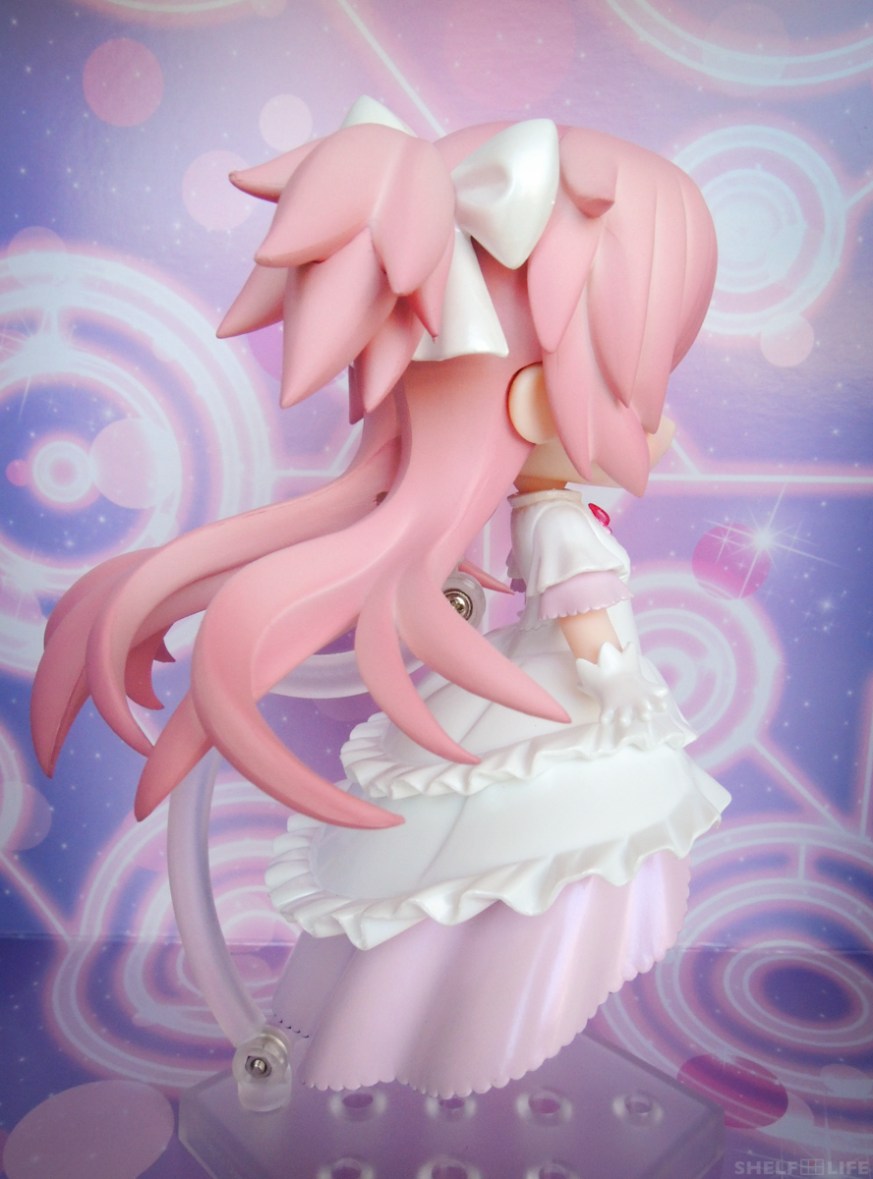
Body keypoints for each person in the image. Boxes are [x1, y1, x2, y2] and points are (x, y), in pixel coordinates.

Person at [32, 100, 728, 1098]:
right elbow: (585, 617)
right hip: (567, 691)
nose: (662, 422)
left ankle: (440, 1034)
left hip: (532, 689)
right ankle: (462, 1043)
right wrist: (617, 685)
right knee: (535, 860)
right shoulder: (563, 527)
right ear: (539, 399)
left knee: (505, 867)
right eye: (640, 387)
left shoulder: (550, 516)